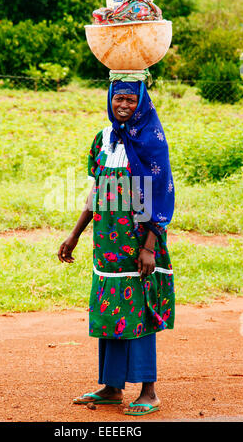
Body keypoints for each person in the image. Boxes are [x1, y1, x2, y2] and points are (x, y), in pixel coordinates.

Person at [57, 78, 175, 416]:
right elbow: (96, 190)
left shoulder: (150, 140)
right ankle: (111, 387)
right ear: (109, 99)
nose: (123, 106)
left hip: (138, 243)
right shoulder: (103, 139)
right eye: (118, 99)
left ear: (142, 102)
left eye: (130, 100)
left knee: (139, 310)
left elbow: (160, 194)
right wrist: (75, 234)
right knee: (111, 310)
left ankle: (148, 391)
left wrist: (149, 246)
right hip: (107, 244)